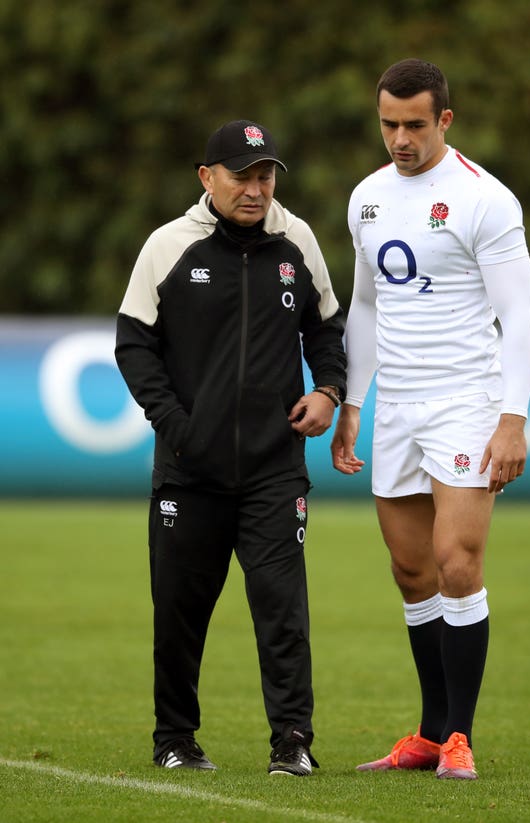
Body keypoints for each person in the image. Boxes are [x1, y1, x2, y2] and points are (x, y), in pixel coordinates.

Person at [115, 119, 347, 776]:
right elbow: (133, 344)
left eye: (265, 174)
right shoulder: (167, 247)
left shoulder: (296, 239)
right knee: (180, 613)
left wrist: (328, 389)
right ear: (206, 177)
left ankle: (292, 741)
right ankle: (175, 739)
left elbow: (326, 327)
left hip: (276, 467)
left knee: (283, 609)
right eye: (242, 174)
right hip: (189, 472)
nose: (256, 188)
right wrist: (178, 428)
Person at [331, 59, 530, 780]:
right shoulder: (367, 199)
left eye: (415, 124)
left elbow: (518, 315)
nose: (400, 138)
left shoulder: (486, 200)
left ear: (444, 120)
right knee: (412, 571)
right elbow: (363, 304)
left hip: (466, 402)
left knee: (457, 563)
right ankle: (427, 732)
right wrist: (354, 401)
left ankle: (460, 738)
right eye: (388, 123)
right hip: (398, 406)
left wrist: (512, 418)